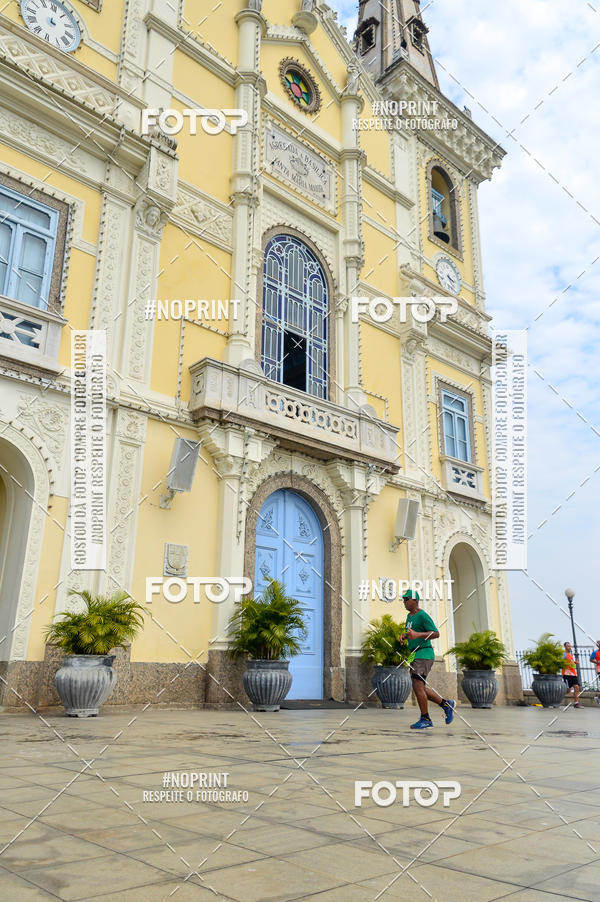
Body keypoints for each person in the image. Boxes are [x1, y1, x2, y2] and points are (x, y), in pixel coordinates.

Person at [400, 590, 455, 729]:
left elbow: (436, 633)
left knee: (417, 685)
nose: (404, 602)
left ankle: (426, 719)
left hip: (424, 654)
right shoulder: (409, 616)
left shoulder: (422, 615)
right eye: (403, 599)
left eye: (406, 599)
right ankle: (446, 704)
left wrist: (418, 634)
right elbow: (412, 632)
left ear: (415, 600)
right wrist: (405, 636)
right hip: (415, 654)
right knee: (420, 687)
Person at [562, 642, 582, 708]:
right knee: (568, 690)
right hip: (566, 674)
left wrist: (574, 662)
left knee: (576, 687)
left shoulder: (570, 655)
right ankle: (556, 698)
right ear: (565, 647)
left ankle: (576, 703)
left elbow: (571, 663)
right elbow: (561, 663)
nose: (569, 647)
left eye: (570, 646)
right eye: (568, 646)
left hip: (573, 674)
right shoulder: (564, 654)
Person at [590, 640, 600, 705]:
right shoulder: (595, 652)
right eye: (598, 644)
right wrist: (596, 662)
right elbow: (590, 659)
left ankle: (598, 698)